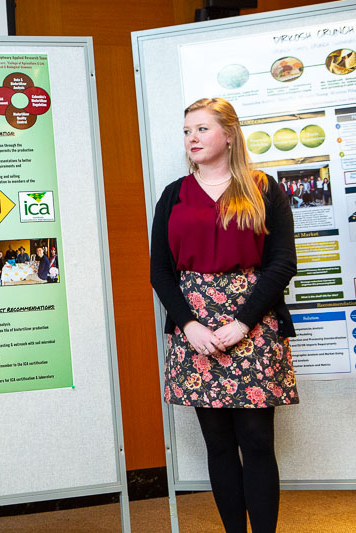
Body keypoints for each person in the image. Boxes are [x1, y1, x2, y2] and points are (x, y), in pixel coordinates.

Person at [150, 97, 298, 533]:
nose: (191, 139)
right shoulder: (174, 194)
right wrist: (189, 324)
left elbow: (282, 263)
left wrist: (242, 322)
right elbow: (160, 270)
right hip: (194, 328)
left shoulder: (263, 188)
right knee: (218, 443)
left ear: (229, 135)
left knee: (255, 440)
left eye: (201, 129)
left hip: (252, 322)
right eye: (186, 131)